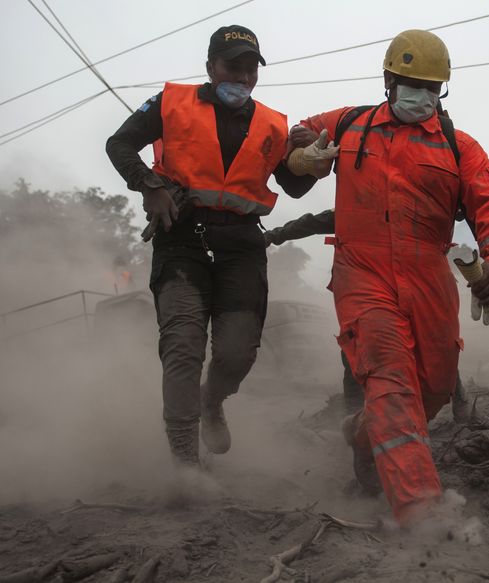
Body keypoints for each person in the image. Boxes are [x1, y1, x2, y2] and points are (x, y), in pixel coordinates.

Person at [284, 30, 489, 525]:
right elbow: (298, 136)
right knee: (391, 377)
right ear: (389, 79)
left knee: (433, 383)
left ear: (443, 90)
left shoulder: (458, 145)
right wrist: (301, 154)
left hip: (428, 273)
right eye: (410, 82)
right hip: (361, 269)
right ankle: (421, 513)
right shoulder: (350, 125)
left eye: (431, 86)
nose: (420, 93)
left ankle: (363, 428)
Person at [105, 25, 316, 467]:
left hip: (241, 244)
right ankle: (185, 466)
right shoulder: (170, 103)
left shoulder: (272, 124)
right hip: (180, 237)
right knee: (182, 345)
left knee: (238, 352)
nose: (241, 77)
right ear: (210, 67)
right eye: (231, 66)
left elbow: (294, 187)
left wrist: (313, 155)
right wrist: (149, 185)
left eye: (249, 69)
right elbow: (119, 143)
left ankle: (211, 401)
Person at [264, 210, 474, 421]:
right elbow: (315, 222)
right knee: (356, 348)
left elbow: (459, 209)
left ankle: (459, 403)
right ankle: (354, 418)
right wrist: (274, 235)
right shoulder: (361, 207)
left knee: (437, 343)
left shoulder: (417, 206)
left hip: (416, 281)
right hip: (367, 285)